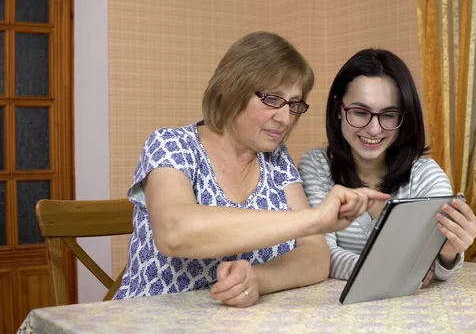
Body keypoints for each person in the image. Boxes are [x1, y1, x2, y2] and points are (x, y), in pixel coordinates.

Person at [113, 32, 389, 307]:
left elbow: (315, 255)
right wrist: (315, 219)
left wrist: (258, 278)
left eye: (294, 104)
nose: (285, 118)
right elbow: (176, 233)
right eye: (271, 99)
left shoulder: (277, 160)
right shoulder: (171, 145)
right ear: (232, 88)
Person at [298, 49, 476, 282]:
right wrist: (393, 270)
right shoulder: (316, 166)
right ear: (338, 110)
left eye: (389, 114)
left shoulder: (426, 176)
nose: (374, 129)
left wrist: (449, 253)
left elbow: (434, 269)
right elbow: (321, 255)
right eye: (360, 112)